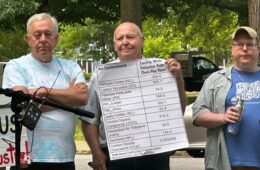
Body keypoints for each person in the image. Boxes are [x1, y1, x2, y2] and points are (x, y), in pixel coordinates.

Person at [81, 22, 186, 170]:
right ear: (114, 44)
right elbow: (89, 119)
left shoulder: (163, 69)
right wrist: (96, 152)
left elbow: (178, 112)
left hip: (155, 154)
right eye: (120, 38)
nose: (125, 42)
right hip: (115, 156)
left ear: (142, 41)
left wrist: (179, 79)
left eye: (130, 37)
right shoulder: (101, 74)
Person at [2, 13, 88, 170]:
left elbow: (82, 97)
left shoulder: (70, 67)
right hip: (27, 157)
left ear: (56, 38)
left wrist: (42, 92)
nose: (43, 39)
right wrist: (68, 95)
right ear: (29, 39)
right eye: (37, 35)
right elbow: (21, 105)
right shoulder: (16, 66)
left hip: (65, 157)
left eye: (48, 34)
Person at [192, 26, 260, 170]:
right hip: (227, 163)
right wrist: (223, 118)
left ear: (258, 49)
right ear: (232, 49)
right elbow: (197, 114)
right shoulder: (215, 80)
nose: (245, 48)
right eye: (239, 45)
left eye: (250, 44)